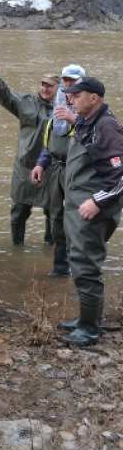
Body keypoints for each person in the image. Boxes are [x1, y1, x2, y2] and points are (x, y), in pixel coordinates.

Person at [56, 77, 123, 347]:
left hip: (92, 212)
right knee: (78, 263)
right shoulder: (86, 122)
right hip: (77, 208)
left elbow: (120, 177)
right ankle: (87, 318)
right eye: (70, 94)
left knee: (86, 268)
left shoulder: (107, 127)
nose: (71, 98)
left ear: (94, 98)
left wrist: (96, 201)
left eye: (77, 94)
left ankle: (89, 329)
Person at [0, 70, 59, 245]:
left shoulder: (64, 108)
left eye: (50, 86)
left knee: (53, 213)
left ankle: (50, 249)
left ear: (58, 88)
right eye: (43, 84)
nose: (45, 88)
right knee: (19, 211)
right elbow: (7, 97)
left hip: (51, 170)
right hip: (25, 167)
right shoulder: (27, 103)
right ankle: (17, 247)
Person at [31, 64, 86, 277]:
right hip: (55, 170)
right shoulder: (59, 106)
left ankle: (81, 265)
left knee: (78, 218)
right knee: (56, 217)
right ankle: (61, 266)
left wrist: (75, 120)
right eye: (65, 80)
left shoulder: (90, 108)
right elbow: (50, 141)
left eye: (73, 80)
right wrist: (40, 164)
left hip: (78, 173)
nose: (68, 84)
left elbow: (100, 137)